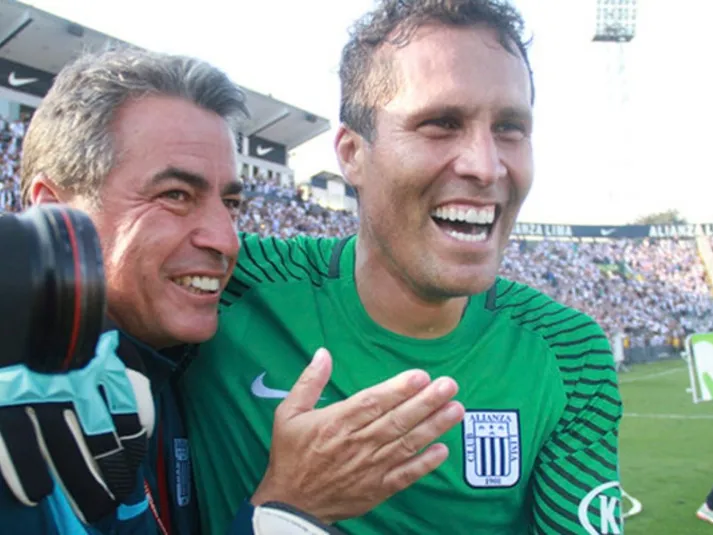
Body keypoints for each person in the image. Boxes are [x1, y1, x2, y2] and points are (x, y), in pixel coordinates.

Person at [180, 0, 624, 534]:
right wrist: (288, 506)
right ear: (353, 154)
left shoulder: (570, 352)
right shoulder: (230, 283)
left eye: (509, 128)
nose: (485, 166)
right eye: (440, 124)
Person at [0, 47, 464, 534]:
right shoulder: (21, 417)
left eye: (231, 203)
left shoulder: (176, 355)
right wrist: (287, 509)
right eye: (175, 195)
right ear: (52, 212)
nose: (226, 240)